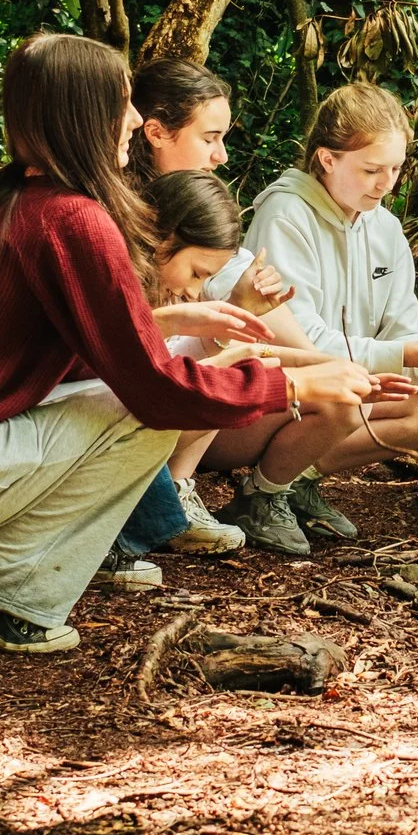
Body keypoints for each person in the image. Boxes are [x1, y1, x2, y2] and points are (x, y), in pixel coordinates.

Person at [0, 34, 377, 654]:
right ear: (82, 114)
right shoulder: (75, 217)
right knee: (144, 417)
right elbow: (154, 393)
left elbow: (52, 348)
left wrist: (176, 321)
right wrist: (293, 385)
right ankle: (0, 588)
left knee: (133, 397)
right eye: (122, 102)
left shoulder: (7, 193)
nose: (136, 119)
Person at [233, 83, 418, 553]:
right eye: (371, 169)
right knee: (346, 394)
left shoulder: (384, 226)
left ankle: (295, 480)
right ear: (327, 159)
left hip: (340, 380)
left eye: (395, 168)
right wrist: (406, 353)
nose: (385, 183)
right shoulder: (286, 212)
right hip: (269, 388)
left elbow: (400, 328)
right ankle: (260, 496)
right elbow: (298, 339)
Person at [112, 59, 307, 558]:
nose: (220, 155)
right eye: (210, 137)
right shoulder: (115, 217)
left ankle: (174, 494)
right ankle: (148, 511)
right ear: (154, 132)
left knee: (235, 350)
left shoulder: (196, 217)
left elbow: (284, 341)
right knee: (226, 362)